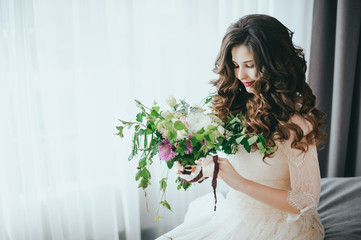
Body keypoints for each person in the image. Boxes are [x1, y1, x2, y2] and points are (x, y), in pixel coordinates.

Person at [156, 14, 327, 240]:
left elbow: (307, 200)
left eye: (250, 65)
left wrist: (240, 183)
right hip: (234, 214)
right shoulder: (235, 104)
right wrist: (200, 170)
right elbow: (235, 165)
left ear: (274, 64)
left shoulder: (294, 120)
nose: (241, 75)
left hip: (282, 224)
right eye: (236, 65)